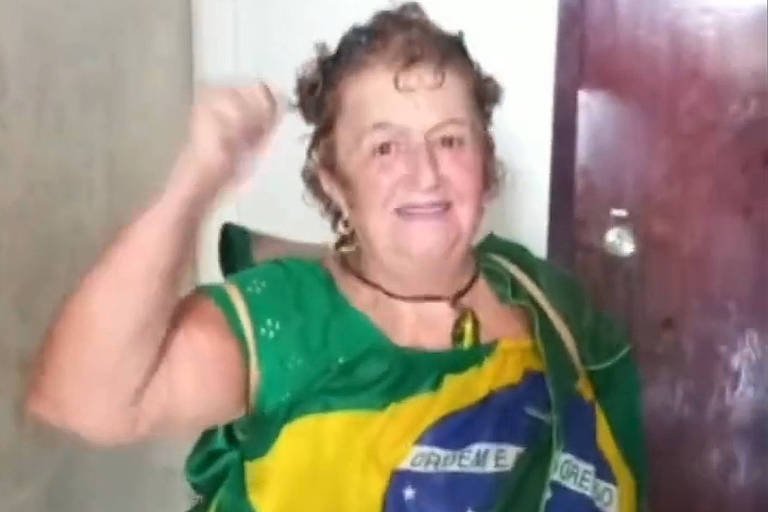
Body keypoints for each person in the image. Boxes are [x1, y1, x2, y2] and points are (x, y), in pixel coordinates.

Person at [25, 4, 647, 511]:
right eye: (385, 148)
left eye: (450, 140)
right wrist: (194, 182)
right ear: (334, 182)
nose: (425, 173)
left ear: (485, 166)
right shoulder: (287, 321)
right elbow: (80, 401)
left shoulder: (542, 299)